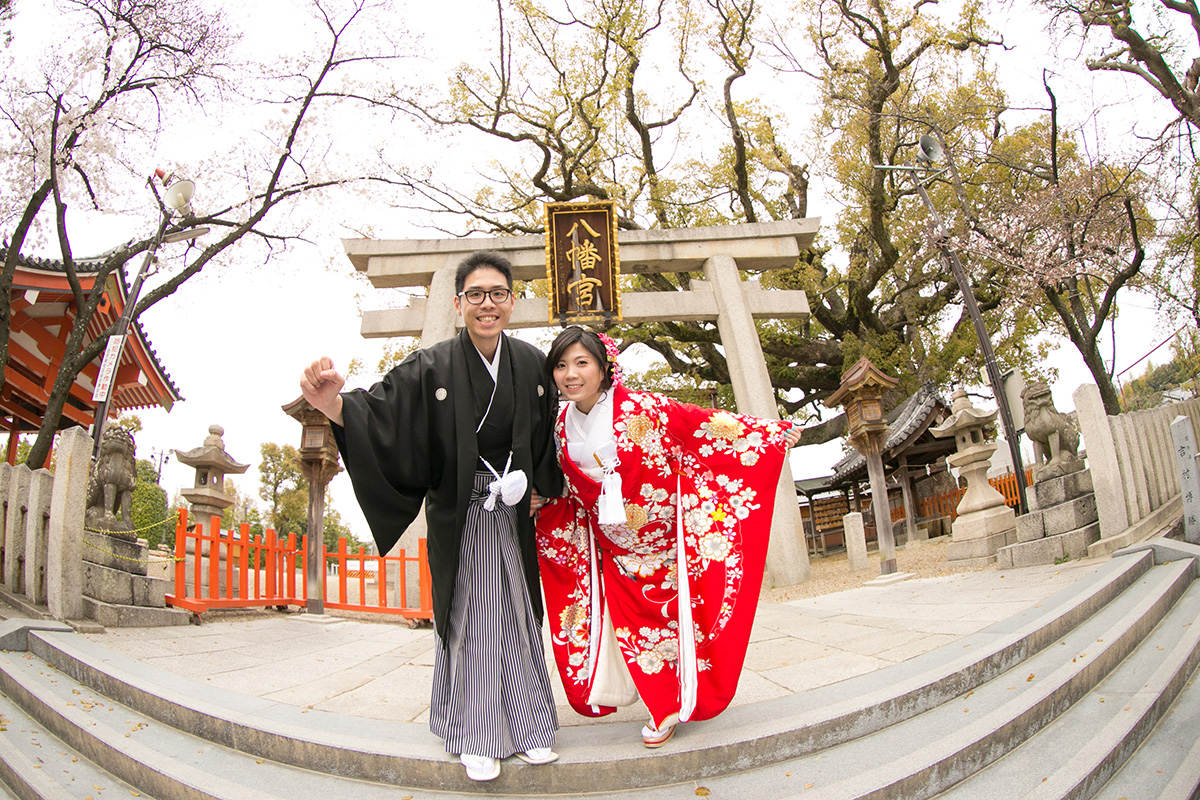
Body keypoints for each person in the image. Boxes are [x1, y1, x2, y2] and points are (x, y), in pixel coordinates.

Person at [300, 251, 563, 782]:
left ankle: (531, 727)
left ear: (513, 301)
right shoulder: (432, 365)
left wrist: (541, 485)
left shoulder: (534, 364)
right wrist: (334, 407)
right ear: (458, 302)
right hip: (461, 513)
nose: (487, 305)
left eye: (497, 294)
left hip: (512, 513)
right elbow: (383, 411)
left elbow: (550, 431)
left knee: (517, 615)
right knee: (470, 620)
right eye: (475, 295)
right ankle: (476, 734)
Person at [534, 326, 802, 747]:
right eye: (561, 365)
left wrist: (765, 434)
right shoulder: (560, 426)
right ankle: (662, 702)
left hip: (667, 545)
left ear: (605, 368)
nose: (571, 374)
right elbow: (566, 487)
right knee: (637, 633)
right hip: (616, 552)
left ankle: (668, 706)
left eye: (582, 363)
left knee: (676, 629)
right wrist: (540, 501)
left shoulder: (647, 407)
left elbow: (702, 426)